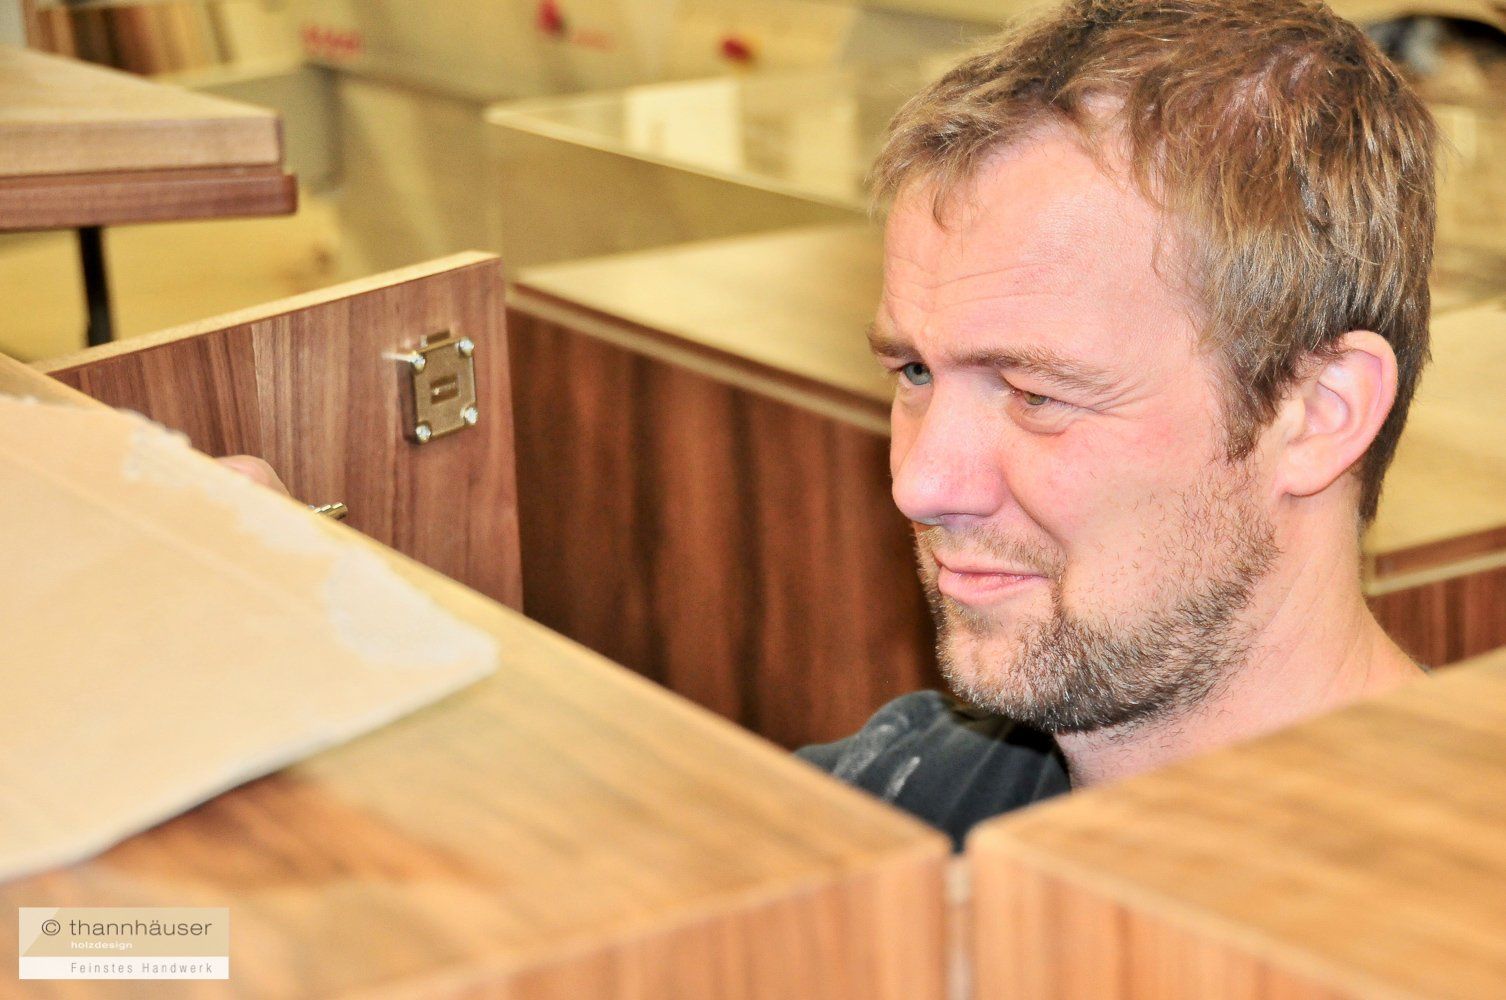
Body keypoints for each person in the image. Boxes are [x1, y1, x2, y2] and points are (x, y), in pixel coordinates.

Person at [796, 0, 1436, 848]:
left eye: (1035, 394)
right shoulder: (898, 804)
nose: (921, 484)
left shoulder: (1453, 902)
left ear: (1319, 412)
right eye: (915, 372)